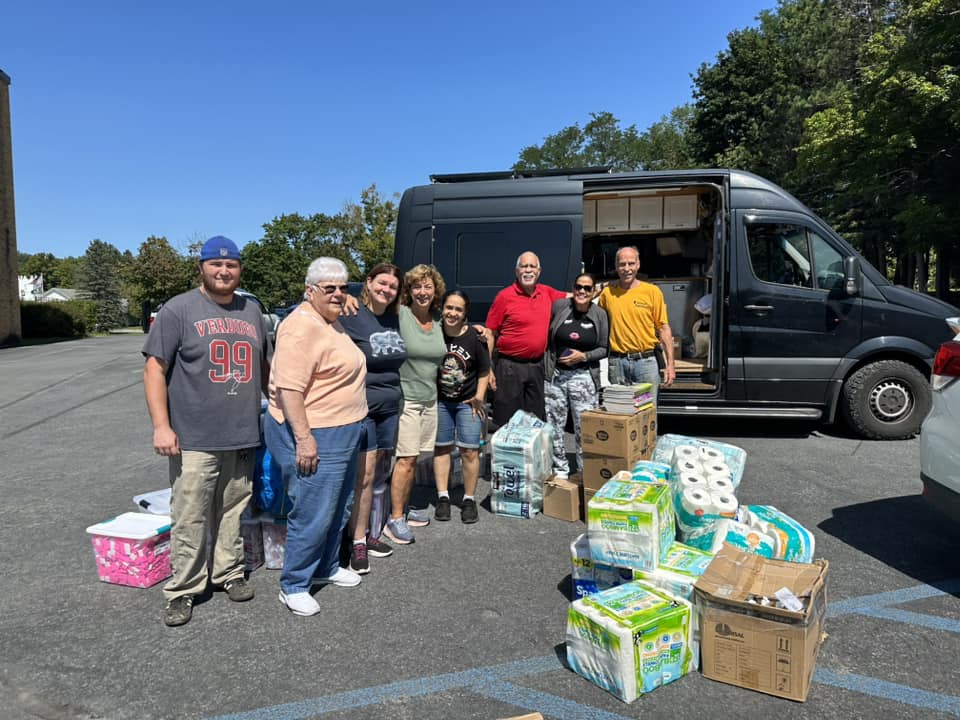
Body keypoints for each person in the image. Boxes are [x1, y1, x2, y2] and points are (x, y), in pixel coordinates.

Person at [143, 235, 270, 627]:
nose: (223, 270)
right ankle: (184, 589)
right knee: (190, 514)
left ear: (240, 269)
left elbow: (266, 369)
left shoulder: (252, 311)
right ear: (201, 267)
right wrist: (162, 426)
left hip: (242, 432)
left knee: (233, 510)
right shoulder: (178, 309)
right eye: (215, 264)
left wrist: (279, 408)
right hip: (194, 436)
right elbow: (153, 369)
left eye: (231, 264)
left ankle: (228, 573)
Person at [264, 257, 367, 617]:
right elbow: (289, 389)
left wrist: (341, 300)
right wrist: (305, 440)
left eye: (344, 287)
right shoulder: (299, 327)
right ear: (310, 291)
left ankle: (326, 566)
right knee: (313, 510)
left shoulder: (330, 320)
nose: (339, 294)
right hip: (317, 432)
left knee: (338, 506)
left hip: (345, 428)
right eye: (330, 288)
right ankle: (293, 584)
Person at [338, 263, 406, 574]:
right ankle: (353, 542)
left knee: (377, 475)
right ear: (368, 282)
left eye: (392, 286)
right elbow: (313, 302)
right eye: (382, 283)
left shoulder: (394, 317)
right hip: (361, 406)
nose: (386, 290)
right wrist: (347, 295)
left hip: (390, 407)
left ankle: (364, 533)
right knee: (360, 476)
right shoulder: (350, 312)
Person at [381, 264, 448, 545]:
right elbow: (376, 301)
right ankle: (394, 519)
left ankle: (404, 509)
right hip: (406, 399)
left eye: (428, 286)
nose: (423, 292)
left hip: (429, 399)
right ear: (408, 291)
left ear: (436, 291)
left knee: (415, 458)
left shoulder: (438, 321)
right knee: (405, 460)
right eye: (417, 287)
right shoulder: (401, 314)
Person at [485, 251, 567, 426]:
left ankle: (531, 454)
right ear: (516, 271)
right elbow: (490, 333)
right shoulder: (504, 297)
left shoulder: (547, 293)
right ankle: (506, 452)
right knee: (507, 421)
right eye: (524, 266)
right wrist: (488, 368)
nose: (528, 270)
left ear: (539, 271)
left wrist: (605, 288)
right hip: (510, 367)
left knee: (535, 420)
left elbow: (576, 296)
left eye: (532, 266)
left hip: (537, 366)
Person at [433, 290, 491, 523]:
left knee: (469, 451)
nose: (452, 313)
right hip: (441, 402)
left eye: (458, 309)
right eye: (449, 307)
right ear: (442, 308)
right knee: (441, 449)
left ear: (465, 313)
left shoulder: (475, 338)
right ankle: (443, 497)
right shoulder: (433, 334)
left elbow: (484, 370)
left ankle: (468, 499)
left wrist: (479, 396)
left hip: (468, 404)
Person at [544, 273, 608, 479]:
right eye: (578, 287)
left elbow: (605, 348)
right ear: (573, 288)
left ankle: (584, 472)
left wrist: (584, 356)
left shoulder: (600, 314)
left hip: (584, 377)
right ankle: (560, 470)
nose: (582, 291)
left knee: (585, 429)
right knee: (554, 427)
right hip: (557, 377)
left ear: (593, 291)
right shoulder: (560, 307)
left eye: (587, 288)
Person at [598, 246, 675, 402]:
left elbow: (663, 328)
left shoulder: (652, 292)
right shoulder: (607, 293)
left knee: (646, 414)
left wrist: (670, 365)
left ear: (638, 265)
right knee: (621, 412)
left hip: (645, 363)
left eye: (631, 263)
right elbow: (598, 324)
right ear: (616, 266)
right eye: (622, 264)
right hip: (617, 363)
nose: (627, 269)